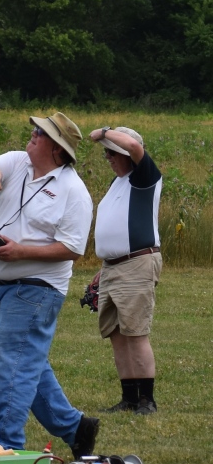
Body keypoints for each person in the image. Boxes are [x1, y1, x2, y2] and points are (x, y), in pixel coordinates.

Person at [0, 112, 99, 459]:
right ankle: (75, 428)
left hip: (38, 289)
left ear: (57, 148)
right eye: (35, 130)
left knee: (9, 368)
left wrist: (20, 251)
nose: (33, 135)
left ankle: (6, 447)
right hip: (5, 285)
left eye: (40, 133)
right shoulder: (15, 161)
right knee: (28, 365)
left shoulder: (74, 192)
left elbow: (73, 248)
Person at [87, 126, 162, 415]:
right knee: (117, 333)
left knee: (135, 332)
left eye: (111, 152)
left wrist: (104, 131)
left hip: (137, 262)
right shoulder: (116, 183)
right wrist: (103, 268)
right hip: (114, 266)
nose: (107, 157)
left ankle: (147, 400)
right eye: (106, 152)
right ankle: (129, 398)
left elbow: (132, 144)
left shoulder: (144, 176)